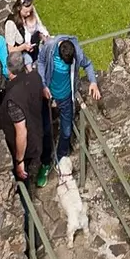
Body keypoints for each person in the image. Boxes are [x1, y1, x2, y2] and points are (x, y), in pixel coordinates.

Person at [0, 55, 48, 231]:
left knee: (23, 189)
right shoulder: (35, 77)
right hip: (38, 134)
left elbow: (21, 132)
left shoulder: (13, 98)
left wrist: (19, 161)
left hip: (26, 147)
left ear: (8, 70)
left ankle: (30, 231)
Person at [42, 34, 101, 165]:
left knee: (67, 132)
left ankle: (60, 157)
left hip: (66, 98)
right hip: (48, 96)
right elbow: (40, 62)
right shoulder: (50, 48)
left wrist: (93, 82)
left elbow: (88, 64)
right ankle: (45, 161)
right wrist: (43, 85)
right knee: (45, 130)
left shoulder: (76, 53)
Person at [4, 0, 49, 75]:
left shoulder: (31, 11)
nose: (28, 14)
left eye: (30, 11)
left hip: (35, 49)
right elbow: (11, 50)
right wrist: (24, 47)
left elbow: (39, 26)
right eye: (26, 12)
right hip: (23, 58)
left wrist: (44, 36)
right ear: (19, 8)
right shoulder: (11, 24)